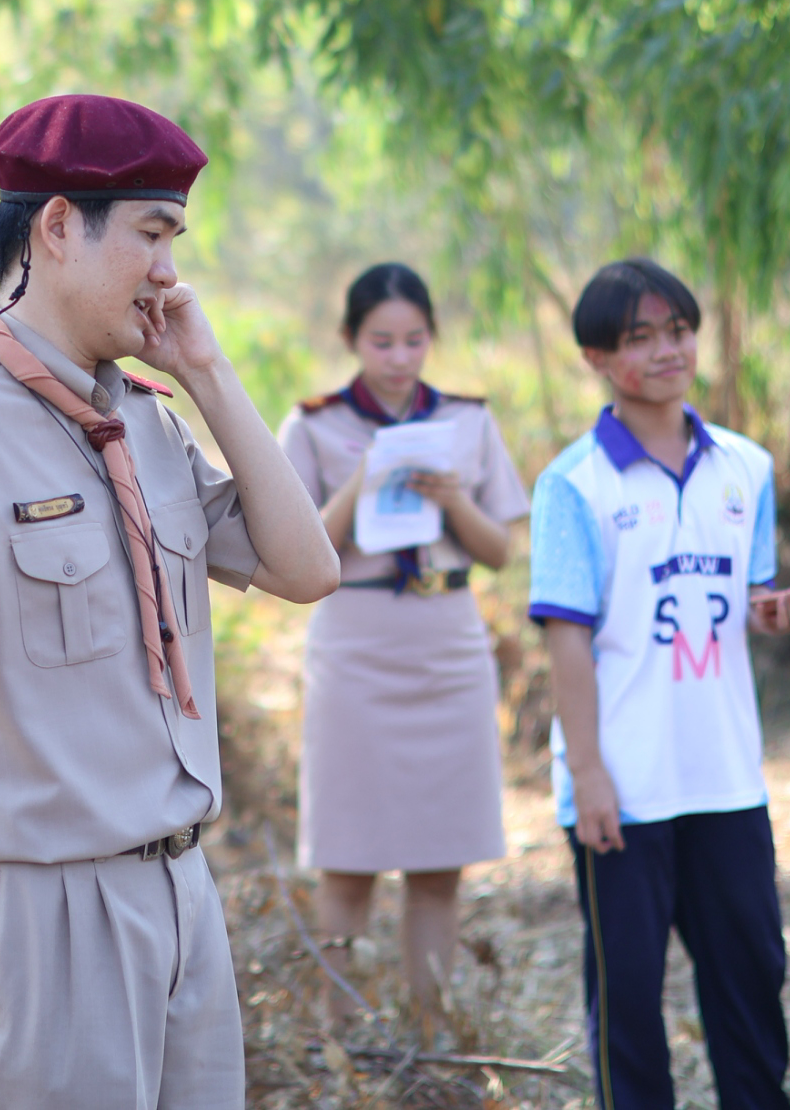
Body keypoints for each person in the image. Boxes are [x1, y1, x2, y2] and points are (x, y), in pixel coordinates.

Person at [0, 94, 339, 1110]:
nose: (168, 270)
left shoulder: (144, 418)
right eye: (151, 234)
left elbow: (307, 571)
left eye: (174, 239)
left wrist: (209, 375)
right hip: (41, 916)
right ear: (55, 228)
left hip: (181, 892)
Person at [528, 258, 790, 1110]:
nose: (668, 350)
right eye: (640, 337)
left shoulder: (746, 467)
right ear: (597, 357)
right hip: (624, 782)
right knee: (628, 993)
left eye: (680, 330)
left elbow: (745, 599)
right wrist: (589, 773)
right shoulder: (573, 484)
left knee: (751, 971)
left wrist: (775, 612)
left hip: (724, 772)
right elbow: (567, 639)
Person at [277, 262, 530, 1031]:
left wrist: (451, 498)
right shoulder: (312, 424)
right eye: (382, 341)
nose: (399, 357)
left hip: (447, 641)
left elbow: (499, 551)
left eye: (414, 340)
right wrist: (361, 481)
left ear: (432, 338)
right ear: (351, 338)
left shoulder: (468, 420)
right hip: (356, 644)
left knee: (439, 860)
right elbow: (295, 549)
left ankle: (432, 1034)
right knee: (347, 857)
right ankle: (341, 1041)